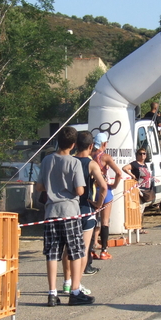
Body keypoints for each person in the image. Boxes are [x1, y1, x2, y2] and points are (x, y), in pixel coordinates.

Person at [36, 126, 92, 306]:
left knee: (52, 253)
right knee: (76, 251)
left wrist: (53, 188)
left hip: (51, 212)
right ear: (74, 145)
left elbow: (39, 186)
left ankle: (52, 293)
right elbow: (79, 190)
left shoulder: (47, 160)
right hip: (70, 211)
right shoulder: (74, 162)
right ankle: (75, 290)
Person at [65, 130, 106, 287]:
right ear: (90, 146)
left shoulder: (69, 161)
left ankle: (67, 281)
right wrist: (98, 204)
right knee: (82, 249)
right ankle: (77, 283)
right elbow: (103, 186)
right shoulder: (91, 164)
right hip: (85, 208)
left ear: (75, 145)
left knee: (68, 248)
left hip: (69, 208)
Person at [90, 132, 125, 259]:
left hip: (93, 190)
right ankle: (104, 250)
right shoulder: (106, 157)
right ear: (104, 143)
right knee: (105, 221)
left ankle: (91, 249)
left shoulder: (90, 156)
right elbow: (119, 173)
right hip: (105, 189)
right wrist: (114, 185)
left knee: (92, 220)